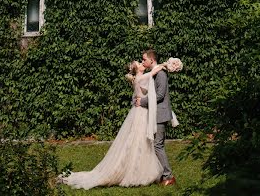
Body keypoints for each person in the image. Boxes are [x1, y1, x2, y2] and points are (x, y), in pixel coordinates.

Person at [61, 60, 165, 189]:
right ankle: (137, 172)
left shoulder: (140, 77)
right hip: (140, 113)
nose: (142, 64)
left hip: (140, 111)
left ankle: (140, 169)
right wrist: (168, 64)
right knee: (138, 140)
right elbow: (154, 71)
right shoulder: (141, 77)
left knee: (141, 141)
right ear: (136, 69)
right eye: (139, 63)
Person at [135, 49, 176, 187]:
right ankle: (159, 174)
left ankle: (169, 176)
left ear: (151, 60)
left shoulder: (161, 74)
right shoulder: (153, 74)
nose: (142, 61)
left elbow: (159, 95)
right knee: (154, 145)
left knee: (158, 145)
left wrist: (142, 101)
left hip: (160, 114)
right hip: (154, 113)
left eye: (144, 59)